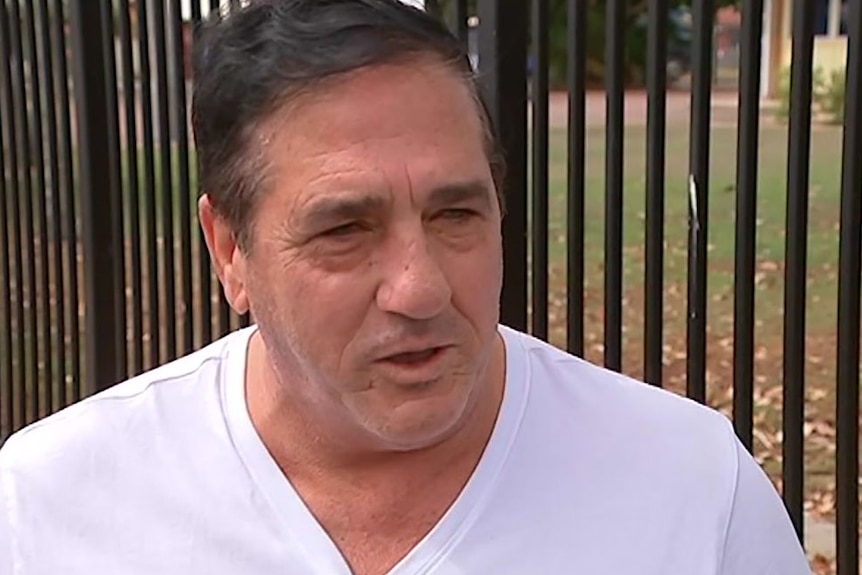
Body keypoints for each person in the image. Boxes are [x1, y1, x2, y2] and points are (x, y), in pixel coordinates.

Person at [0, 1, 813, 573]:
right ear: (230, 251)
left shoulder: (692, 489)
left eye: (455, 211)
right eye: (344, 229)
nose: (420, 288)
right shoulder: (51, 503)